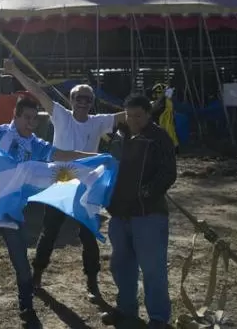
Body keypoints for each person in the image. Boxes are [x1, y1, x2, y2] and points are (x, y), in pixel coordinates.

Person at [0, 94, 98, 329]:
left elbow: (61, 155)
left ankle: (26, 306)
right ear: (15, 117)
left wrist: (93, 158)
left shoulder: (36, 145)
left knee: (20, 260)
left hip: (9, 211)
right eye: (26, 117)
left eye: (34, 118)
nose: (31, 122)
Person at [2, 59, 126, 300]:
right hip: (60, 179)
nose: (82, 102)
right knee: (50, 231)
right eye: (78, 98)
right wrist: (15, 70)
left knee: (88, 235)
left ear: (91, 103)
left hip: (85, 185)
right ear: (71, 100)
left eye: (87, 99)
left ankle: (92, 281)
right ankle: (37, 274)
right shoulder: (60, 114)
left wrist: (158, 104)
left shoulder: (98, 121)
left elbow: (127, 116)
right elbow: (37, 91)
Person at [101, 93, 177, 329]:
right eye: (129, 115)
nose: (133, 120)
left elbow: (168, 173)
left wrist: (145, 192)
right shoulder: (119, 136)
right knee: (121, 266)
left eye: (139, 116)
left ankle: (158, 318)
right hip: (119, 214)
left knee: (152, 268)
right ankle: (126, 309)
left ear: (148, 114)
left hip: (148, 215)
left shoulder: (158, 138)